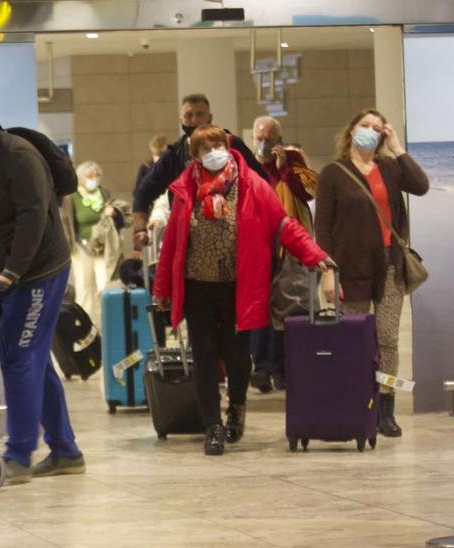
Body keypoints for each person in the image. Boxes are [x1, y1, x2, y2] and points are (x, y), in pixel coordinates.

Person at [152, 124, 334, 456]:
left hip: (240, 287)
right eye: (205, 149)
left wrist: (314, 255)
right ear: (195, 156)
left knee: (237, 358)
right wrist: (162, 289)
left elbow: (284, 225)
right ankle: (212, 426)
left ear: (229, 146)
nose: (213, 153)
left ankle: (236, 406)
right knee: (204, 357)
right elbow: (172, 247)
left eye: (218, 145)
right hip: (197, 287)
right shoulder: (184, 190)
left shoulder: (253, 185)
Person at [0, 95, 84, 484]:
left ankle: (19, 454)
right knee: (28, 358)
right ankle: (66, 451)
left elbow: (33, 218)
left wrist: (12, 272)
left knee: (20, 356)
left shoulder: (19, 157)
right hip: (2, 275)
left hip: (40, 270)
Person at [316, 108, 429, 438]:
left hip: (390, 266)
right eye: (364, 125)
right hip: (348, 268)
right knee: (353, 339)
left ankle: (385, 408)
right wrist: (327, 272)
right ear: (351, 131)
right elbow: (322, 228)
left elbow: (421, 185)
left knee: (388, 340)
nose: (370, 131)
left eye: (377, 129)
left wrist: (397, 147)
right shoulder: (333, 174)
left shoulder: (391, 168)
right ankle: (354, 404)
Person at [132, 94, 269, 252]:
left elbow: (261, 182)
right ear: (181, 121)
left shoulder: (232, 144)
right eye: (189, 115)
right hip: (190, 241)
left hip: (231, 237)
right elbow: (144, 191)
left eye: (200, 114)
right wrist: (139, 229)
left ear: (209, 118)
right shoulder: (174, 155)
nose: (195, 120)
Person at [248, 115, 319, 393]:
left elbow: (309, 193)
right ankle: (262, 367)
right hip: (258, 247)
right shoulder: (247, 166)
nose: (264, 144)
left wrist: (285, 169)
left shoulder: (293, 160)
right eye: (260, 138)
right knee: (260, 310)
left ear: (280, 140)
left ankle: (282, 368)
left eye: (270, 139)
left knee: (288, 308)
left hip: (290, 247)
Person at [65, 161, 126, 321]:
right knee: (85, 287)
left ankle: (106, 324)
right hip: (81, 248)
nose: (94, 179)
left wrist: (113, 213)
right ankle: (85, 324)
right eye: (90, 176)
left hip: (103, 248)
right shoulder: (72, 197)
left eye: (97, 175)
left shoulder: (103, 193)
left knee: (104, 285)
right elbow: (67, 221)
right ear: (81, 178)